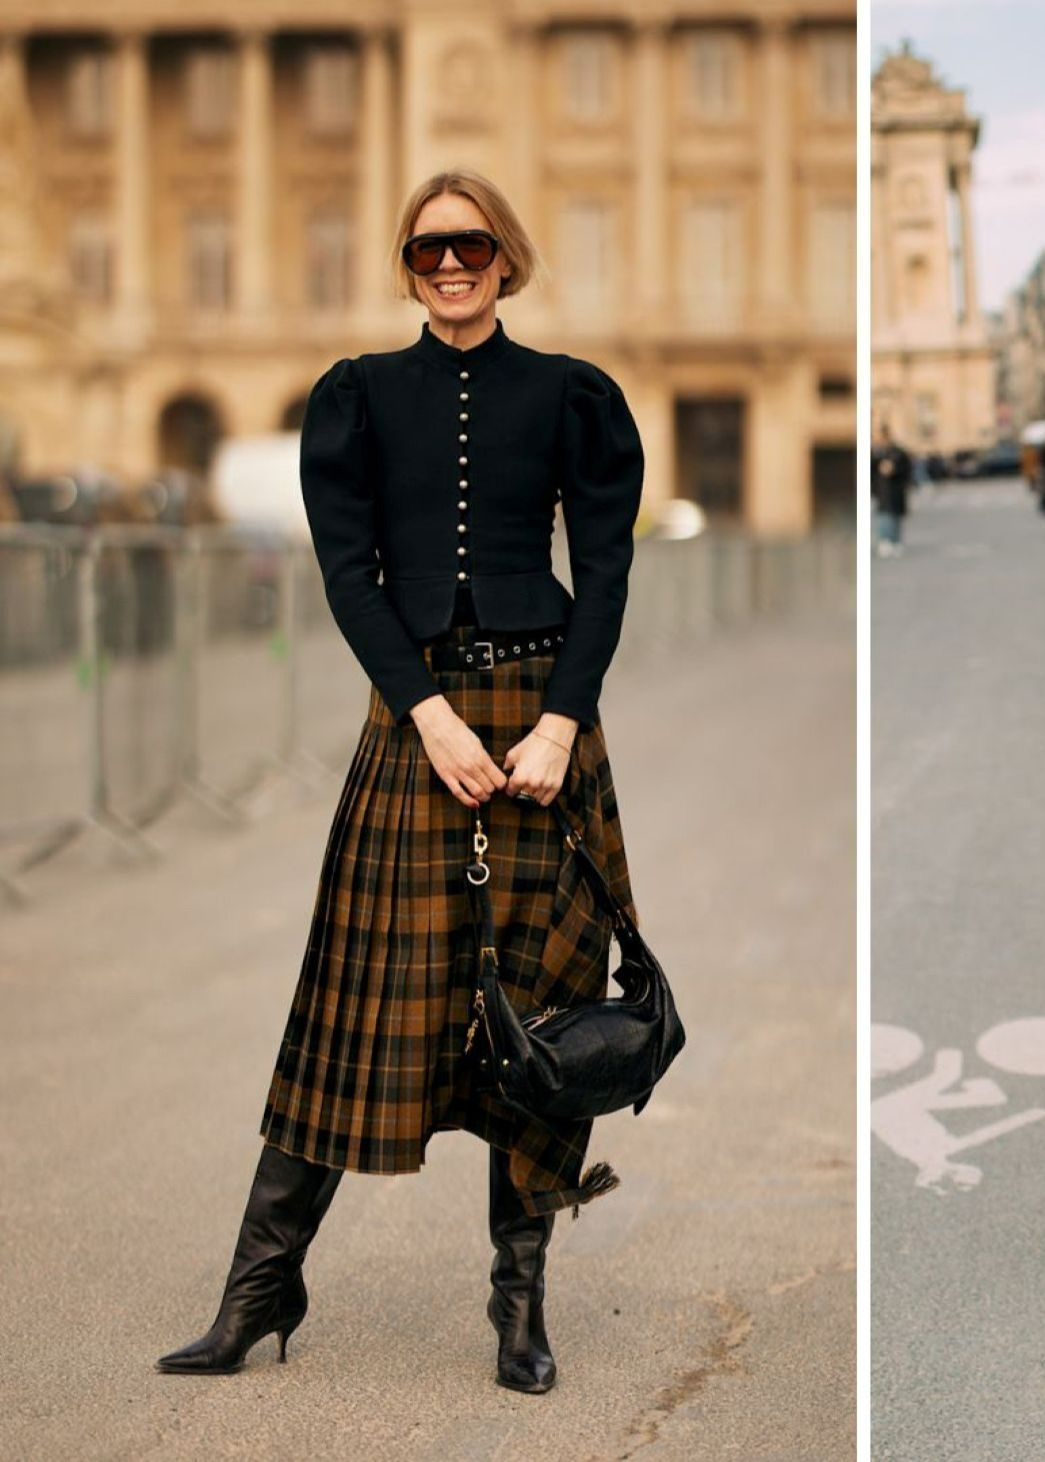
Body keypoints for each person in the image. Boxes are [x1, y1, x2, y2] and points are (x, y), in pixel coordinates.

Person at [157, 170, 646, 1395]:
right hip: (419, 720)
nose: (449, 264)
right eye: (428, 248)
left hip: (540, 724)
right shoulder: (359, 398)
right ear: (407, 262)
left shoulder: (573, 396)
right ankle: (261, 1286)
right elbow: (348, 574)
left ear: (506, 257)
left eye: (470, 245)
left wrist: (557, 725)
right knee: (352, 1000)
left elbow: (605, 574)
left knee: (537, 1017)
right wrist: (424, 713)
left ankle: (519, 1303)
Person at [871, 424, 913, 558]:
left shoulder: (898, 453)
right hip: (882, 491)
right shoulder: (876, 453)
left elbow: (906, 470)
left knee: (894, 518)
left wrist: (893, 469)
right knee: (884, 517)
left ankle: (895, 541)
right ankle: (885, 541)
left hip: (896, 490)